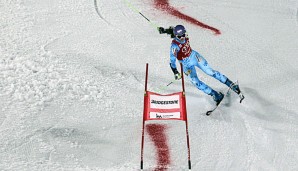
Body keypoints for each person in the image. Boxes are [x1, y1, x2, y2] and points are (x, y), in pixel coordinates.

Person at [158, 25, 241, 104]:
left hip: (194, 56)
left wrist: (164, 30)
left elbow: (173, 29)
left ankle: (232, 85)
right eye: (179, 36)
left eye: (183, 35)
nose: (182, 37)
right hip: (186, 65)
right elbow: (172, 61)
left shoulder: (182, 34)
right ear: (176, 36)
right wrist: (175, 72)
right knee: (195, 82)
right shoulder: (174, 46)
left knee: (210, 72)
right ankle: (215, 95)